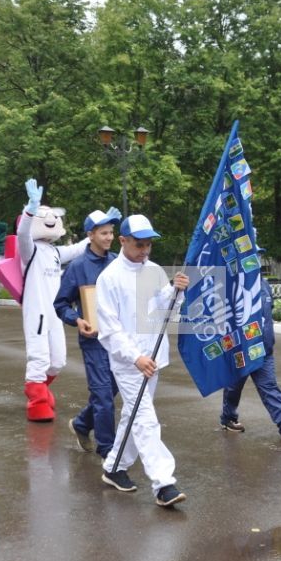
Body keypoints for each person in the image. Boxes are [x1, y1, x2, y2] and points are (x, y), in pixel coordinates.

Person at [96, 214, 190, 508]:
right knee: (146, 420)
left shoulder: (154, 271)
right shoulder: (109, 278)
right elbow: (109, 329)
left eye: (148, 245)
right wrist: (135, 357)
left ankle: (113, 467)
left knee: (133, 415)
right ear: (122, 241)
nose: (145, 250)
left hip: (153, 359)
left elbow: (167, 311)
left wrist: (176, 292)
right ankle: (164, 484)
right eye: (139, 244)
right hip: (129, 363)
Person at [16, 178, 88, 421]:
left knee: (57, 361)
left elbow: (78, 249)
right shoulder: (30, 250)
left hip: (55, 312)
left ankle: (40, 389)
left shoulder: (56, 252)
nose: (49, 220)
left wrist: (97, 229)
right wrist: (30, 210)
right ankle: (36, 401)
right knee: (39, 357)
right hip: (36, 312)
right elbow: (23, 234)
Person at [54, 208, 122, 458]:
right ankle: (108, 452)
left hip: (117, 340)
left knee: (112, 390)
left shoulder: (117, 262)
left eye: (111, 233)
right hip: (93, 340)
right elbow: (60, 304)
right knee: (103, 396)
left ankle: (82, 424)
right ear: (90, 235)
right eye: (103, 233)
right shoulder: (78, 267)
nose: (108, 237)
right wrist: (77, 320)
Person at [220, 266, 281, 436]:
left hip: (264, 349)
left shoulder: (264, 284)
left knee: (269, 386)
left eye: (258, 257)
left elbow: (268, 313)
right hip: (241, 350)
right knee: (233, 387)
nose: (255, 261)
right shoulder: (232, 286)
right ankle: (228, 418)